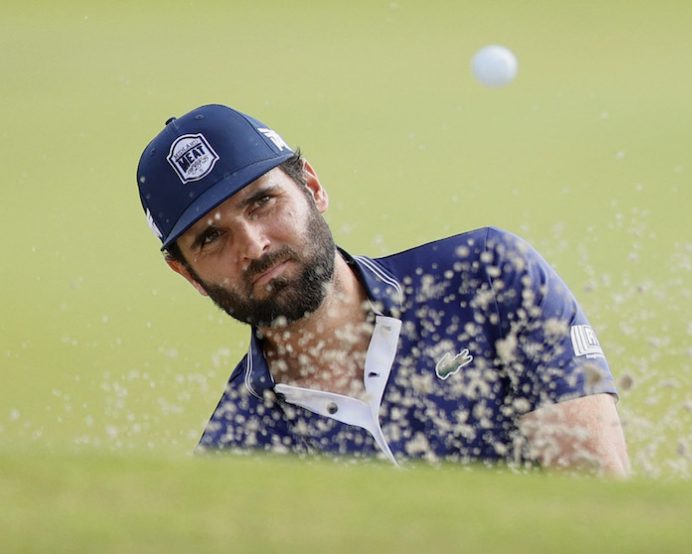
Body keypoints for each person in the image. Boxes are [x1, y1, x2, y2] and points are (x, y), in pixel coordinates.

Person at [136, 104, 630, 476]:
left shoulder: (488, 274)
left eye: (263, 201)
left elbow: (595, 501)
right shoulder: (238, 455)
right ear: (187, 273)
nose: (254, 245)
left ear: (312, 186)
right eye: (211, 237)